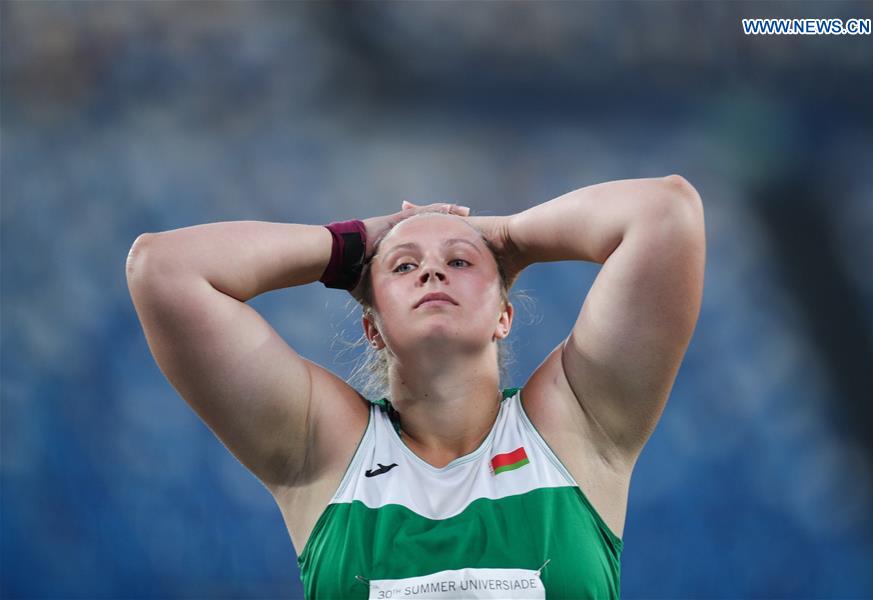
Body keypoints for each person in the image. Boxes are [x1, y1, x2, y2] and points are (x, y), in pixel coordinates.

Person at [125, 175, 705, 599]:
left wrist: (508, 236)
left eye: (460, 262)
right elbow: (162, 270)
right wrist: (351, 244)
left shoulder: (575, 425)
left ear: (503, 315)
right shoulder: (327, 451)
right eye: (403, 266)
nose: (432, 272)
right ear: (372, 327)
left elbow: (666, 213)